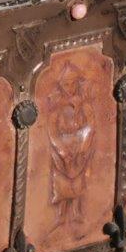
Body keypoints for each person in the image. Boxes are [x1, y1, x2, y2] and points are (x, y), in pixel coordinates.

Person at [46, 61, 95, 235]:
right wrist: (61, 149)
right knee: (61, 182)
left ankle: (76, 212)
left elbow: (90, 126)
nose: (70, 88)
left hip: (79, 148)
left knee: (78, 181)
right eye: (66, 84)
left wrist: (83, 145)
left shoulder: (84, 105)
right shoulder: (57, 107)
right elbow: (52, 130)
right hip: (63, 151)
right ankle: (60, 214)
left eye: (73, 84)